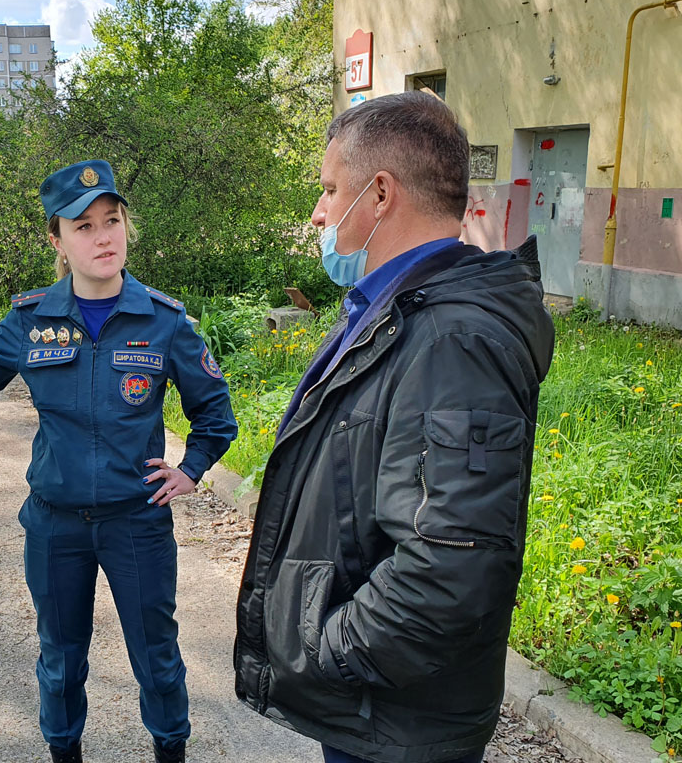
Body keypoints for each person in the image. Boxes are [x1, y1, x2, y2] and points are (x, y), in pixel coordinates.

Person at [0, 160, 237, 763]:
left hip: (136, 524)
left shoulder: (166, 322)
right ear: (58, 239)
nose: (102, 237)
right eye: (84, 225)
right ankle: (63, 752)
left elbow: (215, 416)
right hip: (55, 525)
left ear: (125, 227)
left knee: (157, 657)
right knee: (61, 660)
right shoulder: (32, 318)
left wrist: (191, 469)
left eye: (112, 221)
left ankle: (170, 750)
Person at [233, 91, 554, 763]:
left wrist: (329, 653)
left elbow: (450, 567)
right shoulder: (399, 311)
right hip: (377, 708)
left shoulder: (451, 339)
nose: (319, 213)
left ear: (379, 194)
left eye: (328, 190)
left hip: (392, 717)